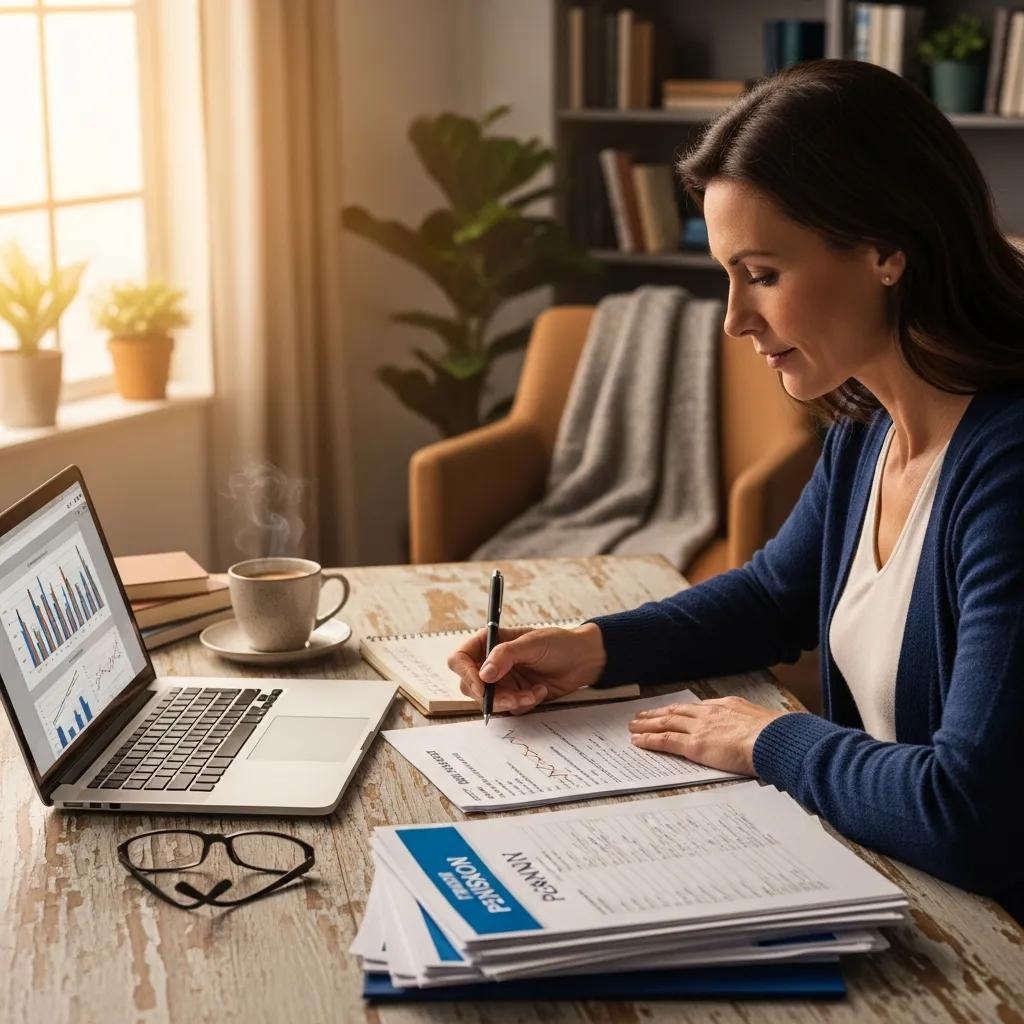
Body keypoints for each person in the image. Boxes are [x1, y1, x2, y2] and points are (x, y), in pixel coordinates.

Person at [448, 59, 1024, 924]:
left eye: (762, 273)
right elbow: (771, 597)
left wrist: (767, 740)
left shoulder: (1010, 470)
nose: (733, 320)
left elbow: (966, 810)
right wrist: (593, 647)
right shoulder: (870, 425)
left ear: (885, 253)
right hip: (894, 885)